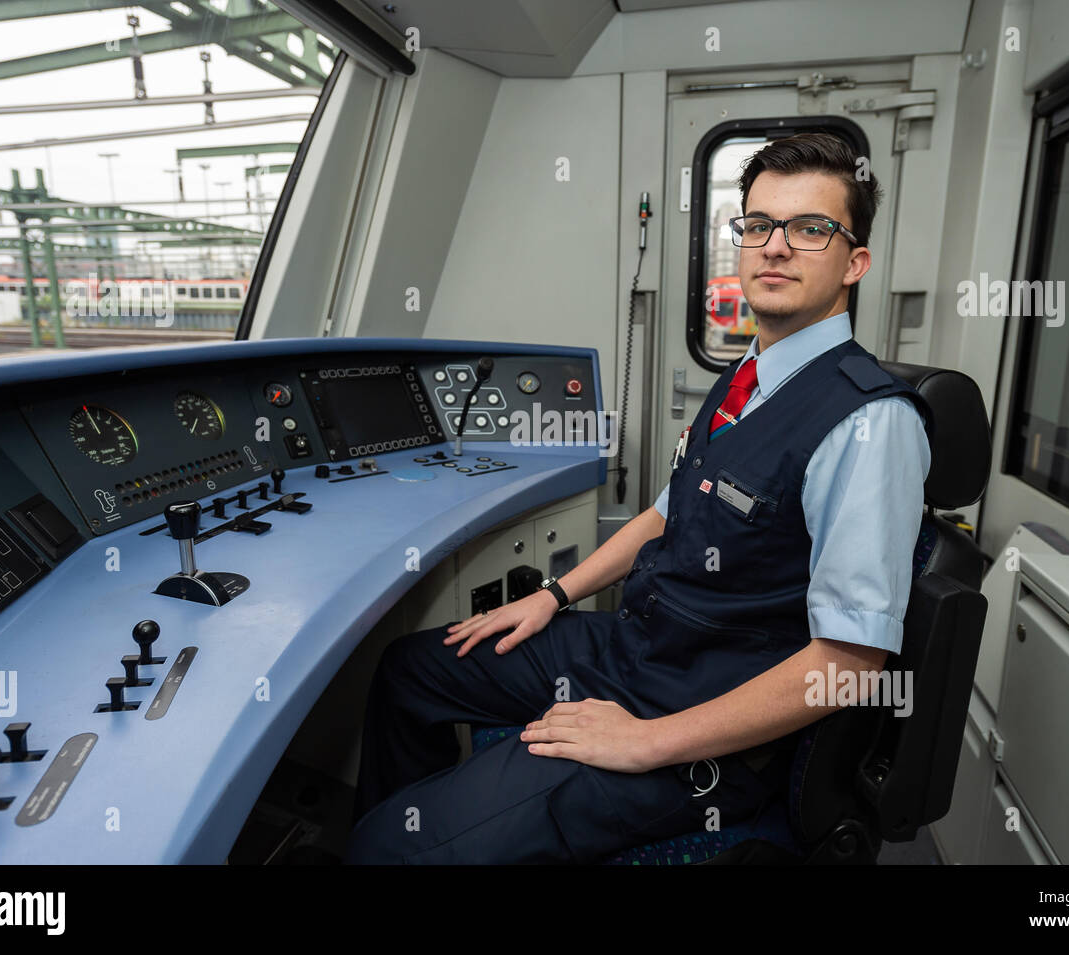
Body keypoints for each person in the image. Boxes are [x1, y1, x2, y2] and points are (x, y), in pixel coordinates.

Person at [344, 131, 933, 864]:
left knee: (379, 849)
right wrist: (553, 595)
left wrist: (644, 740)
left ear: (855, 262)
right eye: (757, 225)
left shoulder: (870, 422)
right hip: (639, 649)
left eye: (810, 229)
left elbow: (849, 663)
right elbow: (663, 513)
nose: (775, 247)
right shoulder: (745, 375)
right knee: (410, 670)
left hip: (706, 718)